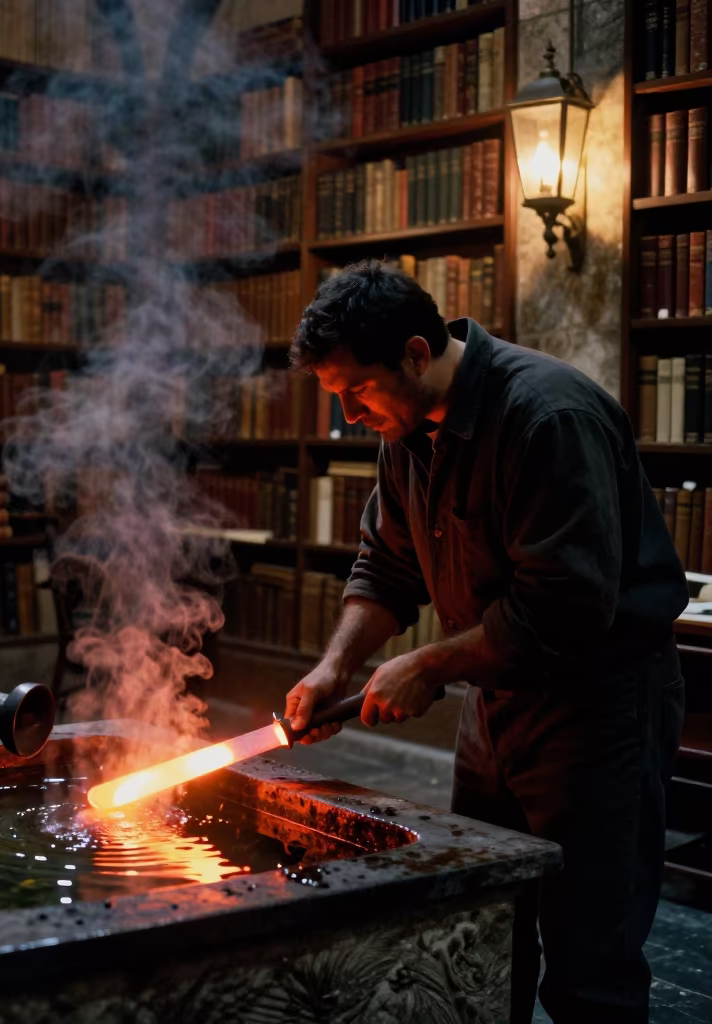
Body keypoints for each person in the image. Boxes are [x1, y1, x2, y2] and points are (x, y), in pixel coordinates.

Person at [284, 261, 688, 1024]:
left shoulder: (546, 417)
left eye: (356, 391)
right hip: (496, 706)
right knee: (485, 925)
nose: (347, 415)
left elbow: (565, 607)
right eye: (335, 396)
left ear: (413, 351)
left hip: (598, 708)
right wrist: (336, 666)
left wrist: (427, 664)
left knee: (589, 959)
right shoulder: (403, 430)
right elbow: (387, 565)